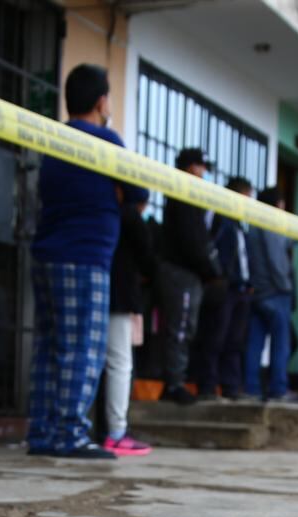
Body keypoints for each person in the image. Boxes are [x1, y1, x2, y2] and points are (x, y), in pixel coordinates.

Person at [26, 64, 144, 460]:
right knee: (83, 350)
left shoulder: (53, 139)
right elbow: (138, 191)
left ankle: (42, 431)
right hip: (85, 255)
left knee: (49, 346)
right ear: (101, 101)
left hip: (46, 253)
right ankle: (71, 434)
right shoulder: (105, 140)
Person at [157, 148, 221, 406]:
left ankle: (176, 380)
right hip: (181, 272)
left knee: (184, 327)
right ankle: (174, 383)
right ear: (192, 167)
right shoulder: (182, 193)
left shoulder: (189, 195)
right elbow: (191, 241)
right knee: (180, 328)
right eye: (201, 167)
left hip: (188, 273)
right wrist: (210, 270)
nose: (204, 173)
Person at [192, 178, 255, 401]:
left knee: (235, 340)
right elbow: (209, 247)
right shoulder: (219, 218)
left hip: (242, 289)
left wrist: (249, 284)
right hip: (224, 288)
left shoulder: (240, 225)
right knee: (215, 336)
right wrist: (218, 276)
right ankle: (208, 385)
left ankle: (230, 386)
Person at [102, 201, 156, 455]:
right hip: (120, 295)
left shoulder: (104, 210)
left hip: (103, 288)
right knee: (120, 363)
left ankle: (107, 430)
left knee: (98, 361)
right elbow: (148, 257)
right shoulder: (130, 217)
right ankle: (115, 432)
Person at [244, 186, 297, 402]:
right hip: (275, 293)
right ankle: (278, 388)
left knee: (254, 343)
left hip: (257, 292)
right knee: (280, 344)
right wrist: (285, 285)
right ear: (277, 204)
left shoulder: (254, 226)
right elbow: (276, 259)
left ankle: (251, 388)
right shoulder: (271, 223)